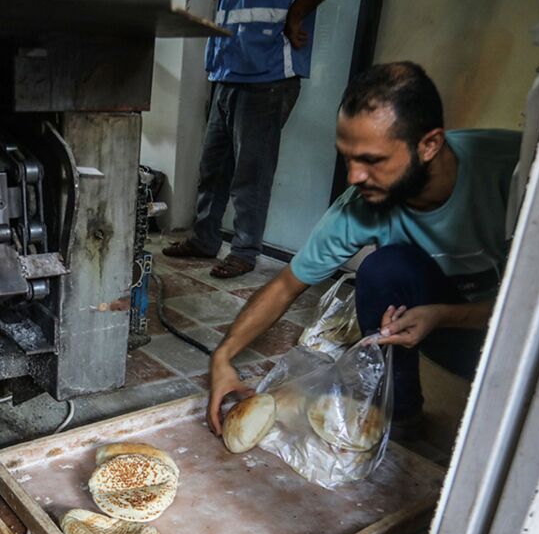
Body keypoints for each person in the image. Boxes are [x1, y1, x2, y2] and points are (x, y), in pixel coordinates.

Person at [205, 61, 522, 438]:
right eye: (348, 158)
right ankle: (400, 413)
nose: (354, 176)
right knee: (383, 269)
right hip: (451, 332)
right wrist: (222, 358)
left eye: (373, 160)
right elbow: (286, 286)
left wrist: (445, 314)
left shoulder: (518, 168)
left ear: (430, 145)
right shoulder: (363, 204)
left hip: (526, 338)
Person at [162, 0, 325, 279]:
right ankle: (204, 239)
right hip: (227, 70)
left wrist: (296, 14)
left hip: (267, 73)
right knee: (213, 168)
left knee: (252, 173)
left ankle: (244, 251)